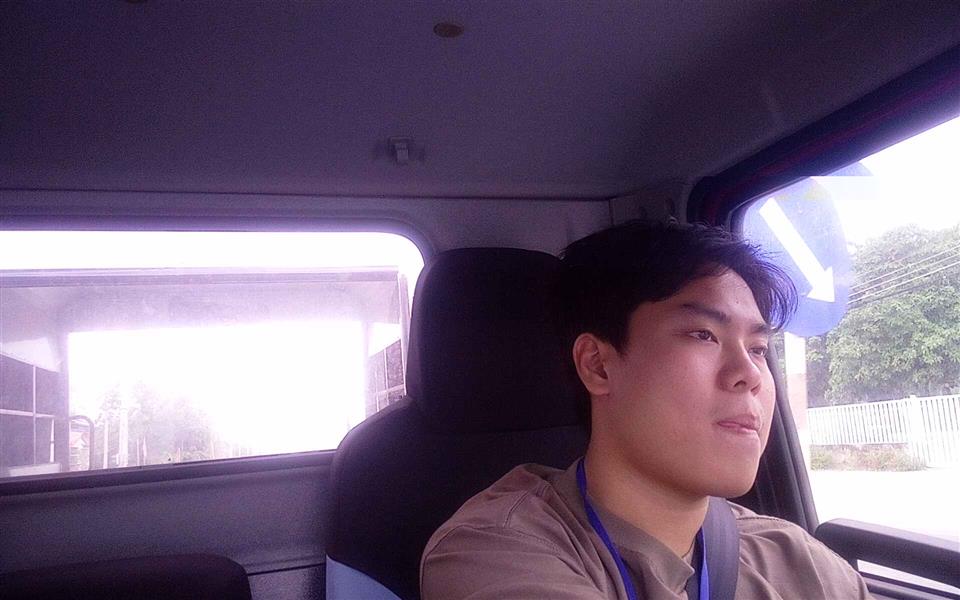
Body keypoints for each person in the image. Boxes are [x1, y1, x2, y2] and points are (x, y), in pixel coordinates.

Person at [420, 220, 873, 599]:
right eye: (703, 335)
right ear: (598, 365)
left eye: (757, 348)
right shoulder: (495, 550)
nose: (750, 374)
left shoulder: (793, 559)